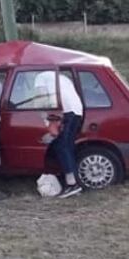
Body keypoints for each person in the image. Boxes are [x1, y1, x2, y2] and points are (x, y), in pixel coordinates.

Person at [35, 70, 84, 198]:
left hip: (65, 111)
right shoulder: (61, 77)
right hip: (78, 111)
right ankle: (75, 183)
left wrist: (44, 118)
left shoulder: (40, 76)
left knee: (61, 147)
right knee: (68, 147)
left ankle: (72, 184)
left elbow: (42, 99)